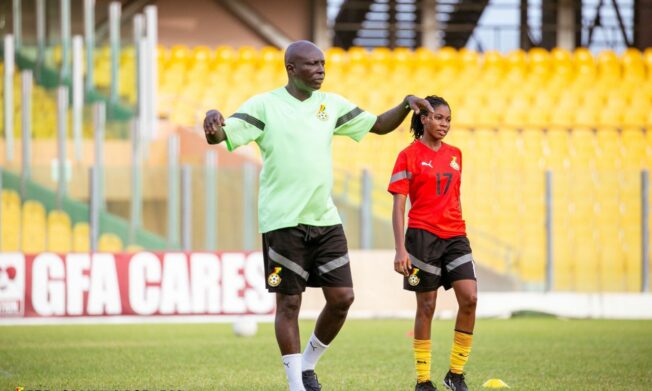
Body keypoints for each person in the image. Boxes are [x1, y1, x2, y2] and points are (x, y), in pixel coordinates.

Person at [203, 40, 433, 391]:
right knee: (289, 303)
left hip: (325, 220)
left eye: (323, 64)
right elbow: (220, 136)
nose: (321, 70)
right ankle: (297, 386)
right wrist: (212, 121)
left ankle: (307, 365)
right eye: (312, 65)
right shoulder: (264, 106)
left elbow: (379, 125)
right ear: (291, 69)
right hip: (282, 222)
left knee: (342, 299)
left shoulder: (331, 104)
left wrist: (406, 103)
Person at [387, 95, 478, 391]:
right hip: (422, 237)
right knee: (426, 306)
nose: (444, 124)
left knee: (470, 298)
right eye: (439, 117)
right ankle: (423, 380)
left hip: (455, 236)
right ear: (424, 118)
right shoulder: (407, 155)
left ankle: (456, 374)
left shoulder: (456, 154)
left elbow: (454, 196)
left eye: (448, 119)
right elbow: (399, 205)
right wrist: (400, 249)